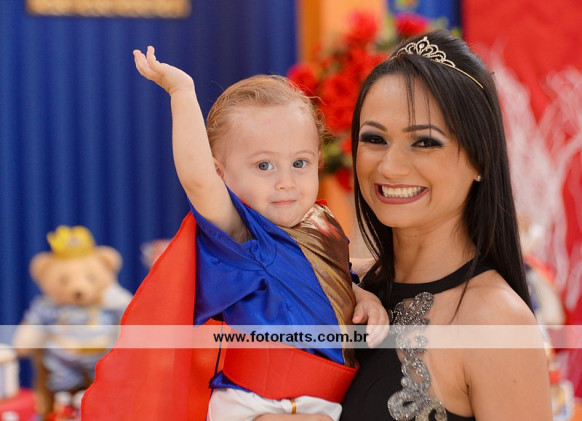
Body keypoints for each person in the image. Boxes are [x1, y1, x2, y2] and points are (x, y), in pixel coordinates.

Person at [255, 29, 552, 421]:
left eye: (424, 142)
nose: (390, 167)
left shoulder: (495, 320)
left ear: (480, 159)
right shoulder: (340, 283)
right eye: (375, 139)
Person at [121, 47, 387, 421]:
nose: (286, 182)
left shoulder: (322, 221)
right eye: (264, 165)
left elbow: (329, 279)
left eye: (300, 162)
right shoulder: (243, 234)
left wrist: (362, 296)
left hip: (323, 399)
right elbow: (197, 180)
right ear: (221, 174)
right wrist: (181, 92)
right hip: (258, 404)